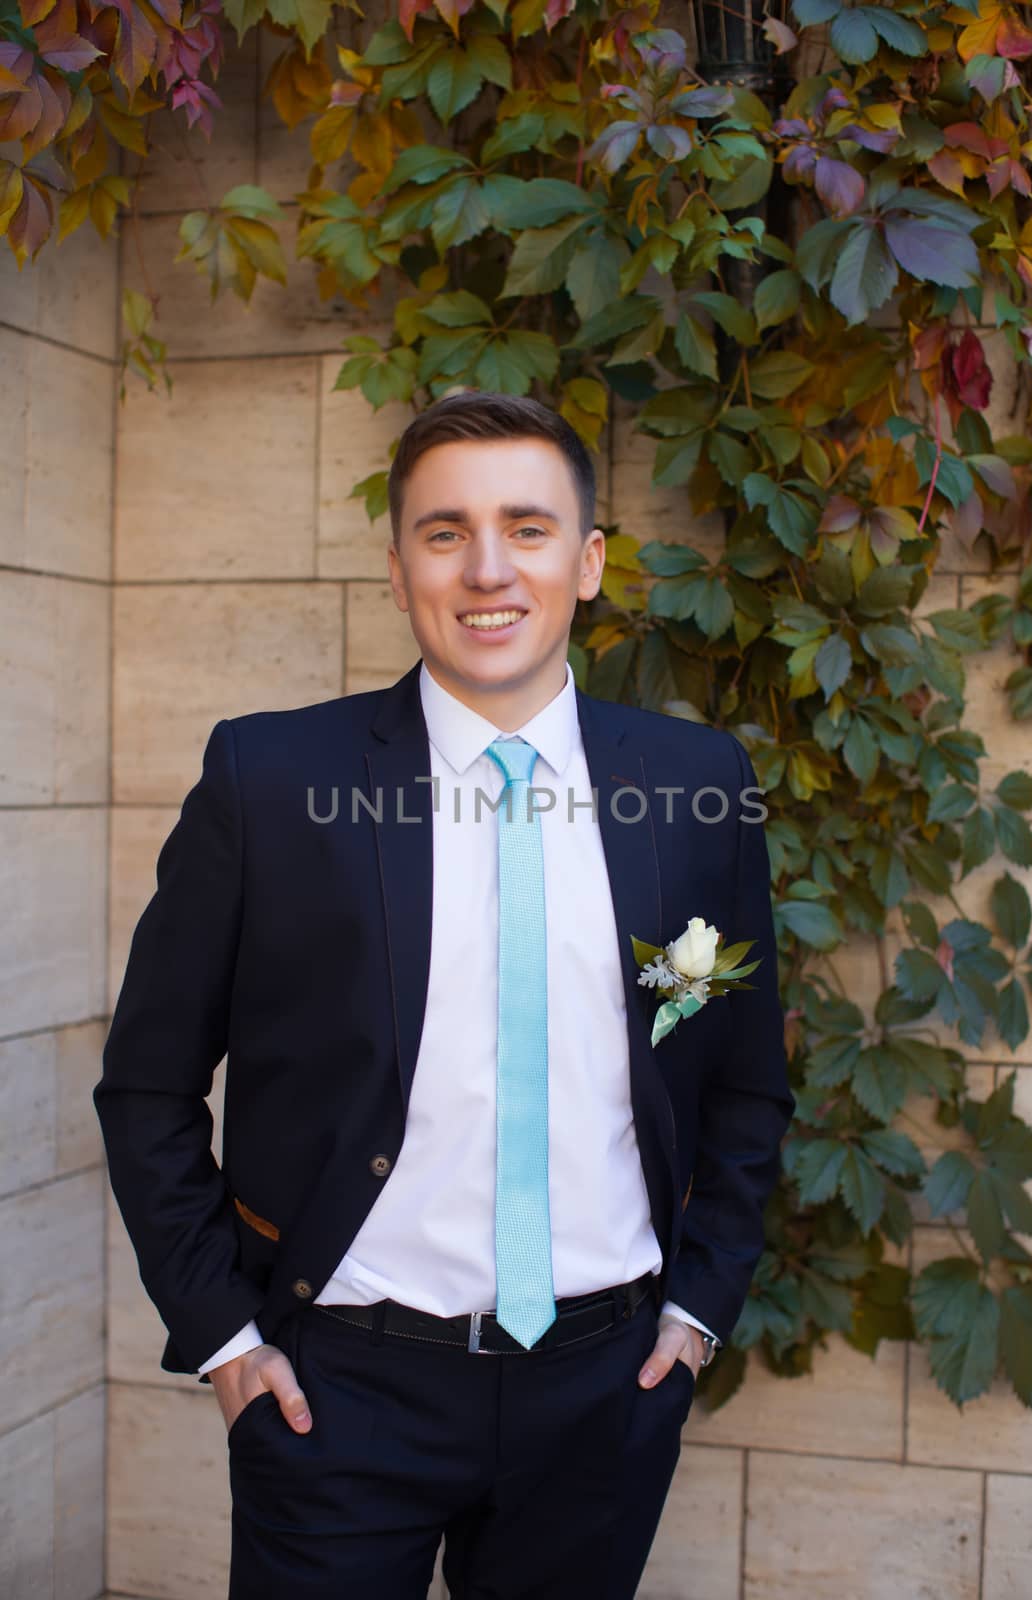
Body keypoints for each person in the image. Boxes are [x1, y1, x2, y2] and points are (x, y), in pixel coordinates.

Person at [94, 391, 796, 1599]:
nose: (487, 569)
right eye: (443, 531)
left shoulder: (693, 783)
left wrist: (693, 1314)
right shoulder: (270, 777)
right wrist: (224, 1336)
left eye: (526, 529)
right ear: (397, 565)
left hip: (606, 1388)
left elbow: (742, 1082)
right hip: (337, 1396)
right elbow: (148, 1083)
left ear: (585, 564)